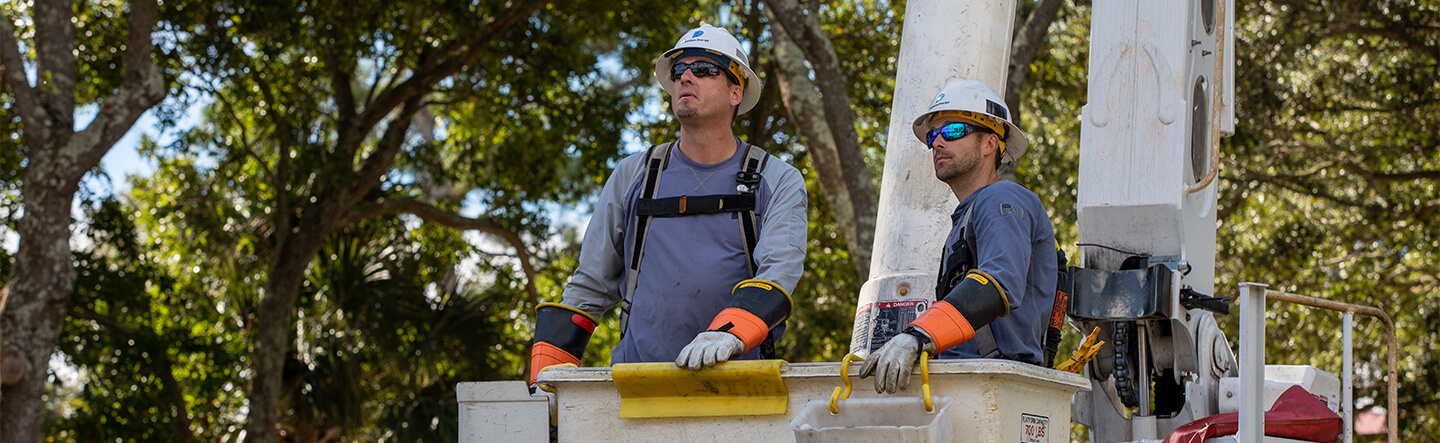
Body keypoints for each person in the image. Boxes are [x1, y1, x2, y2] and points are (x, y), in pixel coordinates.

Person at [527, 24, 807, 384]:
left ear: (736, 91)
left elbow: (778, 273)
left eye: (704, 69)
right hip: (635, 384)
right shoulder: (635, 174)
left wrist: (728, 333)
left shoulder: (776, 178)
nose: (686, 77)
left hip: (737, 387)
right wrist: (546, 382)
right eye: (679, 71)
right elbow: (589, 286)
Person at [859, 79, 1057, 393]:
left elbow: (999, 282)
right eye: (933, 136)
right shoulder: (968, 217)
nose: (937, 143)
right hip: (973, 381)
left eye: (951, 131)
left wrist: (917, 335)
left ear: (990, 143)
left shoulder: (1001, 198)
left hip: (995, 383)